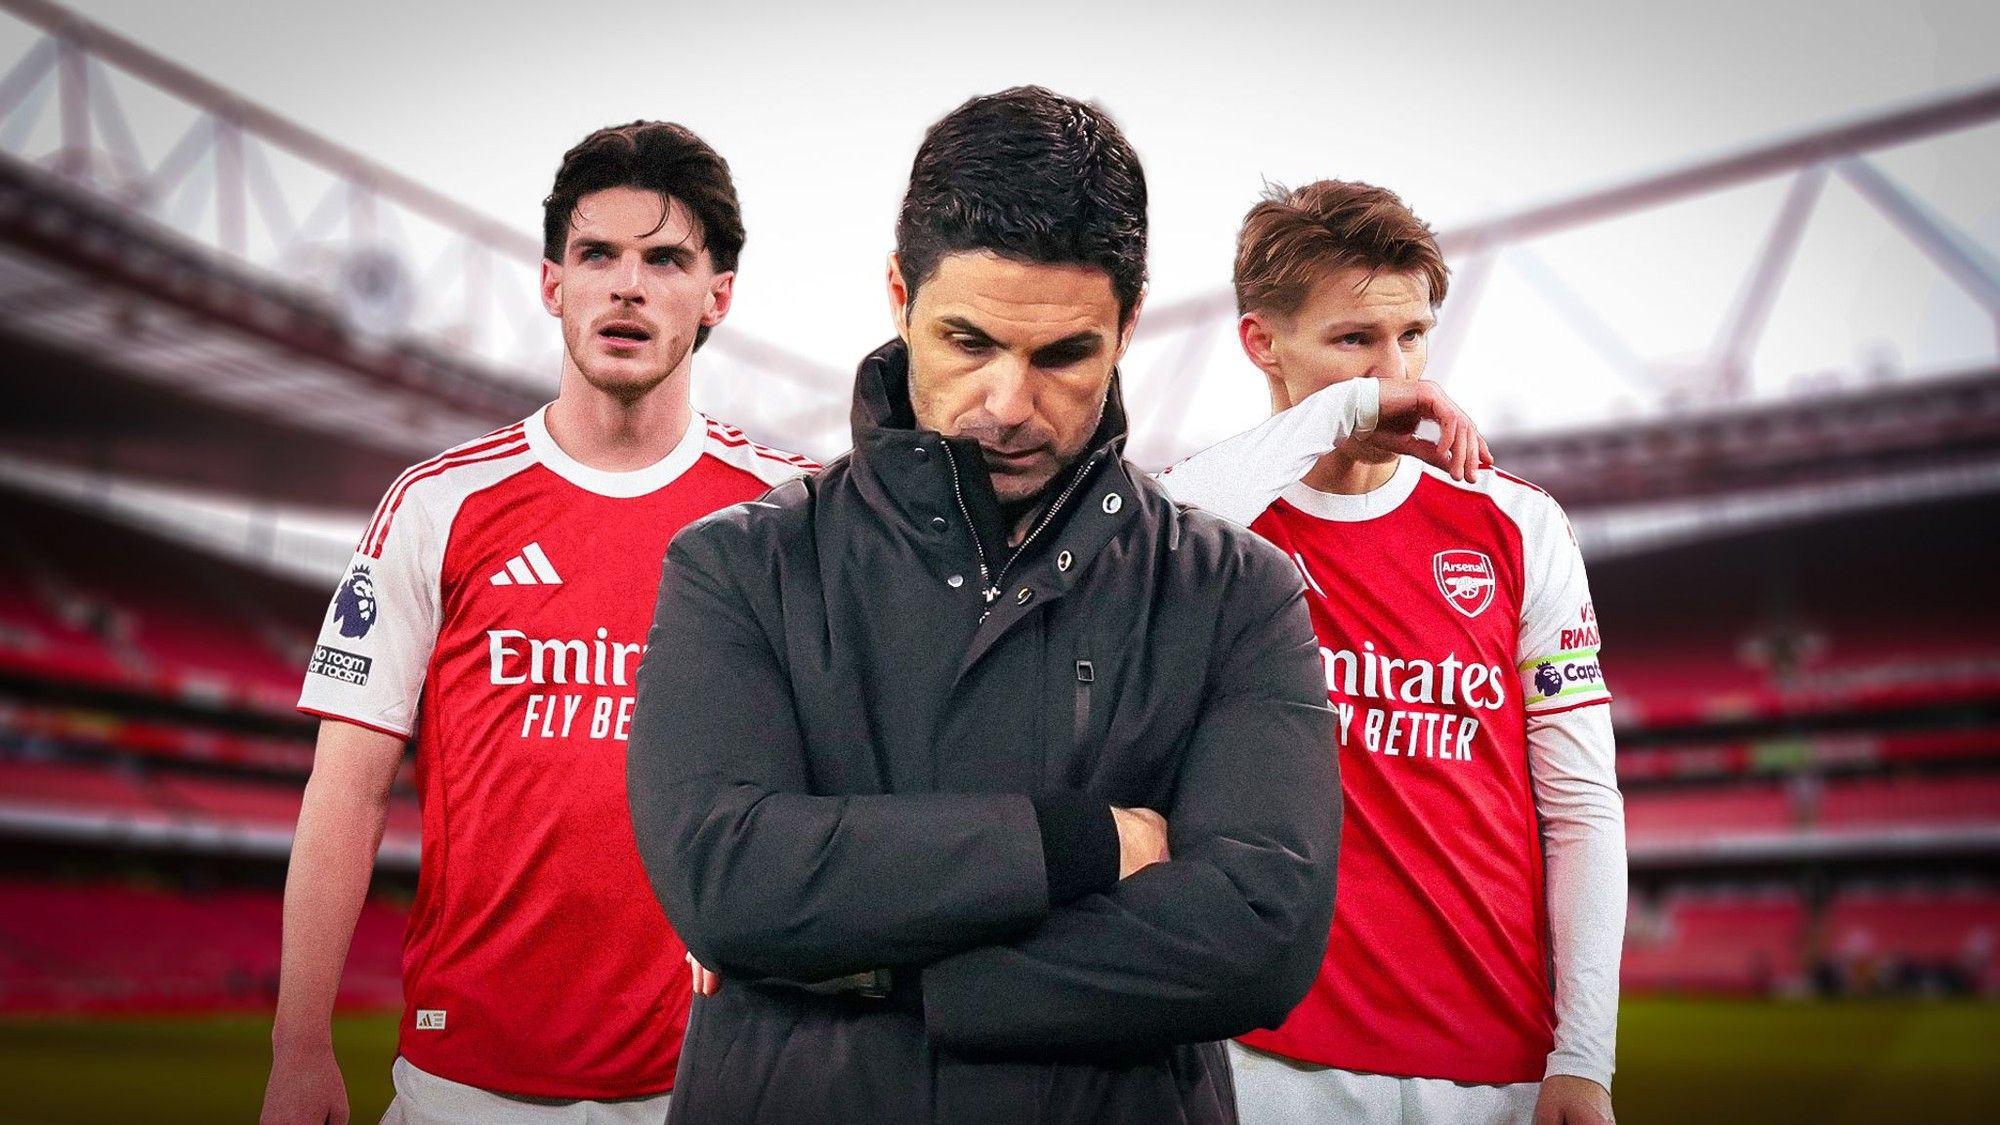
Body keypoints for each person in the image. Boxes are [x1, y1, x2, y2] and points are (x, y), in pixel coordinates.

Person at [626, 86, 1490, 1125]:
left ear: (1128, 325)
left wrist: (883, 971)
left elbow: (1259, 933)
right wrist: (1083, 846)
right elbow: (726, 880)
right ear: (899, 296)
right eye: (968, 342)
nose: (1006, 405)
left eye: (1061, 355)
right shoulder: (735, 565)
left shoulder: (1237, 591)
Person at [260, 121, 814, 1125]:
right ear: (553, 282)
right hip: (463, 1087)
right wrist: (299, 1047)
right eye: (597, 254)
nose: (627, 286)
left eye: (665, 260)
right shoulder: (436, 506)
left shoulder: (790, 512)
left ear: (717, 295)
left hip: (712, 1081)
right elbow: (345, 791)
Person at [1207, 180, 1624, 1125]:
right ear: (1262, 342)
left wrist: (1585, 1053)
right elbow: (1138, 540)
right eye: (1355, 340)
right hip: (1271, 1057)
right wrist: (1332, 418)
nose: (1396, 375)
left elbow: (1581, 806)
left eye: (1413, 336)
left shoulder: (1517, 524)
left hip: (1497, 1066)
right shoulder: (1218, 528)